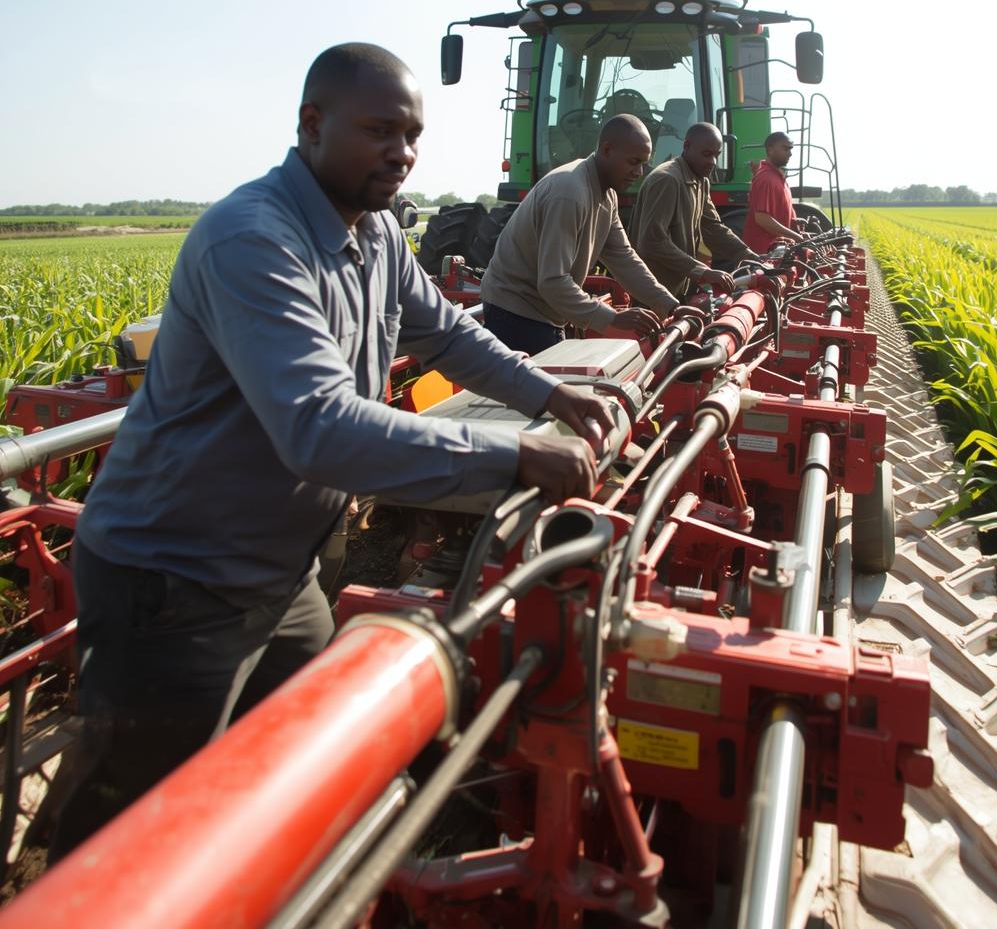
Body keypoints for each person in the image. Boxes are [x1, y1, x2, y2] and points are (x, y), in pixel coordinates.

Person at [50, 43, 613, 858]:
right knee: (132, 836)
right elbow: (317, 425)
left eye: (413, 134)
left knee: (296, 768)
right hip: (175, 581)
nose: (402, 152)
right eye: (379, 130)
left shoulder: (379, 233)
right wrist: (514, 459)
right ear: (312, 125)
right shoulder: (252, 239)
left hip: (284, 575)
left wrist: (550, 395)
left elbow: (448, 331)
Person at [480, 114, 679, 353]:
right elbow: (553, 281)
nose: (639, 172)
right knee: (544, 389)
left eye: (643, 163)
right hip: (516, 313)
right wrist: (613, 319)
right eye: (633, 162)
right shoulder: (569, 193)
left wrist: (670, 305)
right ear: (606, 150)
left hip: (547, 312)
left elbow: (623, 256)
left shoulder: (607, 195)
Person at [628, 122, 757, 297]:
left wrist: (747, 254)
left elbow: (712, 226)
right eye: (706, 154)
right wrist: (702, 271)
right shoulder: (667, 180)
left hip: (678, 287)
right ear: (687, 146)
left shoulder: (701, 181)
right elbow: (652, 241)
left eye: (716, 155)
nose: (712, 162)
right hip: (653, 291)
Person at [743, 130, 806, 253]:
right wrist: (795, 236)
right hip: (763, 255)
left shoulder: (778, 177)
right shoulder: (766, 178)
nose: (790, 153)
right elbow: (762, 218)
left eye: (791, 149)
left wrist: (794, 224)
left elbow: (776, 211)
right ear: (770, 149)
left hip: (775, 252)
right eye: (785, 148)